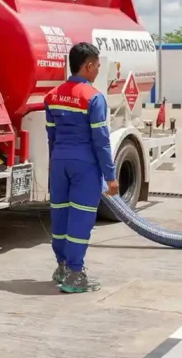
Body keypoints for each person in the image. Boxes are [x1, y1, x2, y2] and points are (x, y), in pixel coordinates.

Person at [44, 42, 119, 294]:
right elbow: (101, 141)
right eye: (96, 66)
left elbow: (51, 137)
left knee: (61, 214)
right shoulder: (94, 98)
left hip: (59, 162)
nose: (97, 70)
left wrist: (54, 166)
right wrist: (110, 176)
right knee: (80, 218)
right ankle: (75, 274)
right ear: (87, 66)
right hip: (84, 165)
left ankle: (62, 267)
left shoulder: (52, 97)